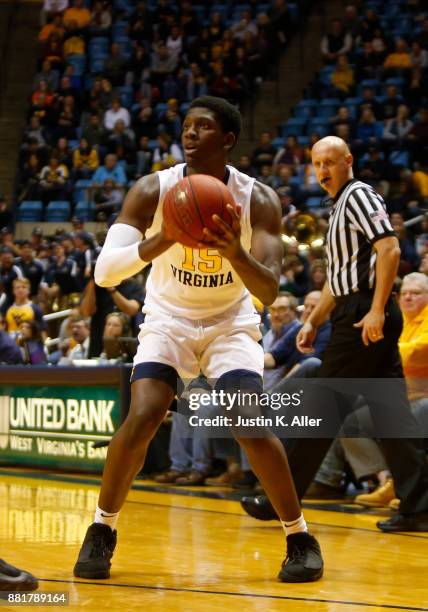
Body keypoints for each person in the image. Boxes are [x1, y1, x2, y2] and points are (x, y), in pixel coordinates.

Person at [74, 96, 323, 583]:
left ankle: (300, 537)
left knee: (248, 420)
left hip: (230, 321)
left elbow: (269, 290)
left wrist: (235, 252)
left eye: (203, 127)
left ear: (227, 139)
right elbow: (105, 273)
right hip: (168, 317)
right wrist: (161, 239)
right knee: (144, 414)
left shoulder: (259, 199)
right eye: (186, 126)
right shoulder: (153, 189)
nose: (189, 134)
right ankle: (102, 529)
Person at [242, 136, 428, 531]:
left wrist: (377, 309)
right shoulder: (339, 205)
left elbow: (390, 249)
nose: (323, 170)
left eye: (330, 162)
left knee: (320, 408)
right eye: (317, 163)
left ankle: (281, 498)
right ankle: (419, 506)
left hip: (364, 314)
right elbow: (338, 279)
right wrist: (314, 320)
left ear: (349, 160)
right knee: (392, 415)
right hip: (355, 309)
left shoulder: (358, 195)